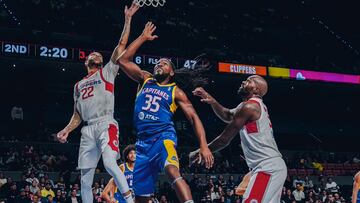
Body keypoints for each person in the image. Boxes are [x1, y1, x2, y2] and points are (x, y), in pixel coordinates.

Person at [117, 22, 214, 203]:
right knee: (141, 197)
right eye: (157, 63)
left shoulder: (176, 91)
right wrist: (143, 38)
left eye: (164, 63)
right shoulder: (145, 79)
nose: (159, 64)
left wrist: (204, 145)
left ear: (171, 71)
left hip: (163, 138)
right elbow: (122, 60)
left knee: (171, 170)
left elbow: (193, 118)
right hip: (142, 144)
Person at [56, 3, 139, 203]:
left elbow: (120, 46)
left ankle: (129, 200)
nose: (96, 54)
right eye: (92, 54)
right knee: (85, 179)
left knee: (111, 164)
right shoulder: (78, 85)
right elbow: (77, 115)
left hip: (106, 123)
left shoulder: (107, 72)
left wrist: (128, 19)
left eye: (98, 54)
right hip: (87, 129)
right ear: (86, 62)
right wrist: (67, 130)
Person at [190, 75, 287, 203]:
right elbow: (227, 115)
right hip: (268, 166)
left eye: (249, 81)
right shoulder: (248, 106)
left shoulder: (250, 107)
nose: (244, 82)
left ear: (256, 90)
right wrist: (212, 100)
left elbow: (225, 139)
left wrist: (202, 150)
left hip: (267, 167)